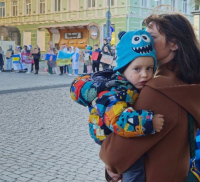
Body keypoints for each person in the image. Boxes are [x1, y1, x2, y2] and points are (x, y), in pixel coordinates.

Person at [99, 13, 200, 182]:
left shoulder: (159, 90)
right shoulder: (191, 84)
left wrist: (110, 165)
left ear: (173, 44)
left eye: (151, 37)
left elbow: (115, 155)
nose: (145, 42)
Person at [70, 30, 164, 182]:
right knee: (135, 170)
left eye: (149, 68)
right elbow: (118, 119)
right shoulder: (116, 91)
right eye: (137, 69)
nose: (145, 75)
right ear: (122, 69)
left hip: (116, 142)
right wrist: (148, 121)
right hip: (110, 135)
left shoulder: (130, 86)